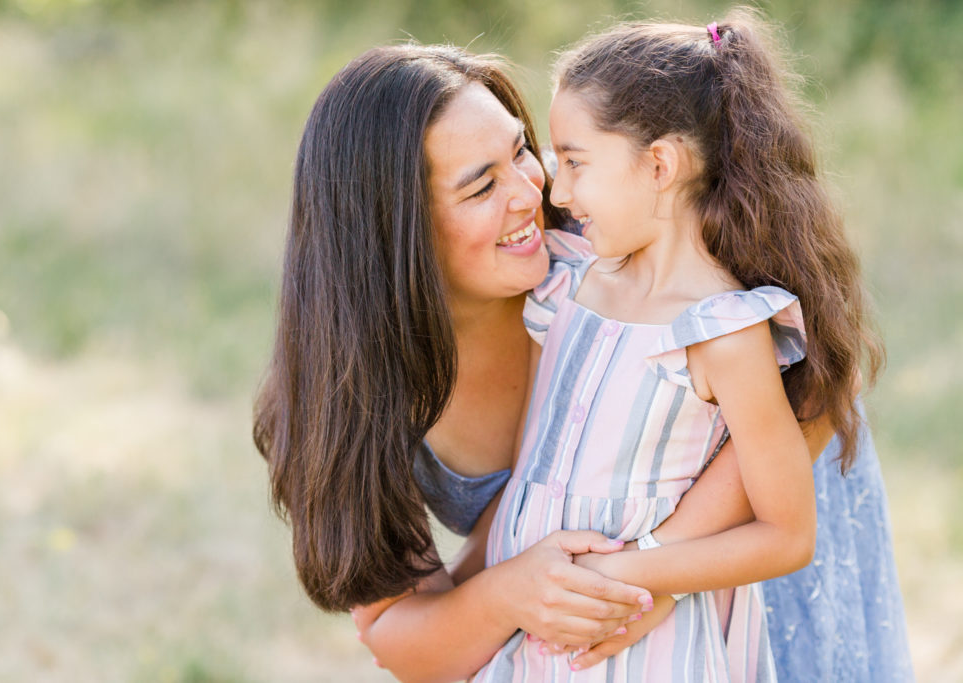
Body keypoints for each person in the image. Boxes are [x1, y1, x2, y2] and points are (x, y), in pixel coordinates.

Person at [254, 37, 911, 683]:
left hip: (748, 554)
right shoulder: (347, 387)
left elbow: (822, 368)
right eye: (482, 186)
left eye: (520, 150)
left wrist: (648, 577)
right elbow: (403, 636)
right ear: (391, 235)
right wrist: (512, 592)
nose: (532, 190)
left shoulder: (606, 228)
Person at [469, 10, 895, 681]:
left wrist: (628, 574)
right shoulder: (571, 280)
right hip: (535, 633)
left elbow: (788, 533)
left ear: (660, 164)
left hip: (644, 647)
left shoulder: (724, 331)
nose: (557, 188)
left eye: (575, 162)